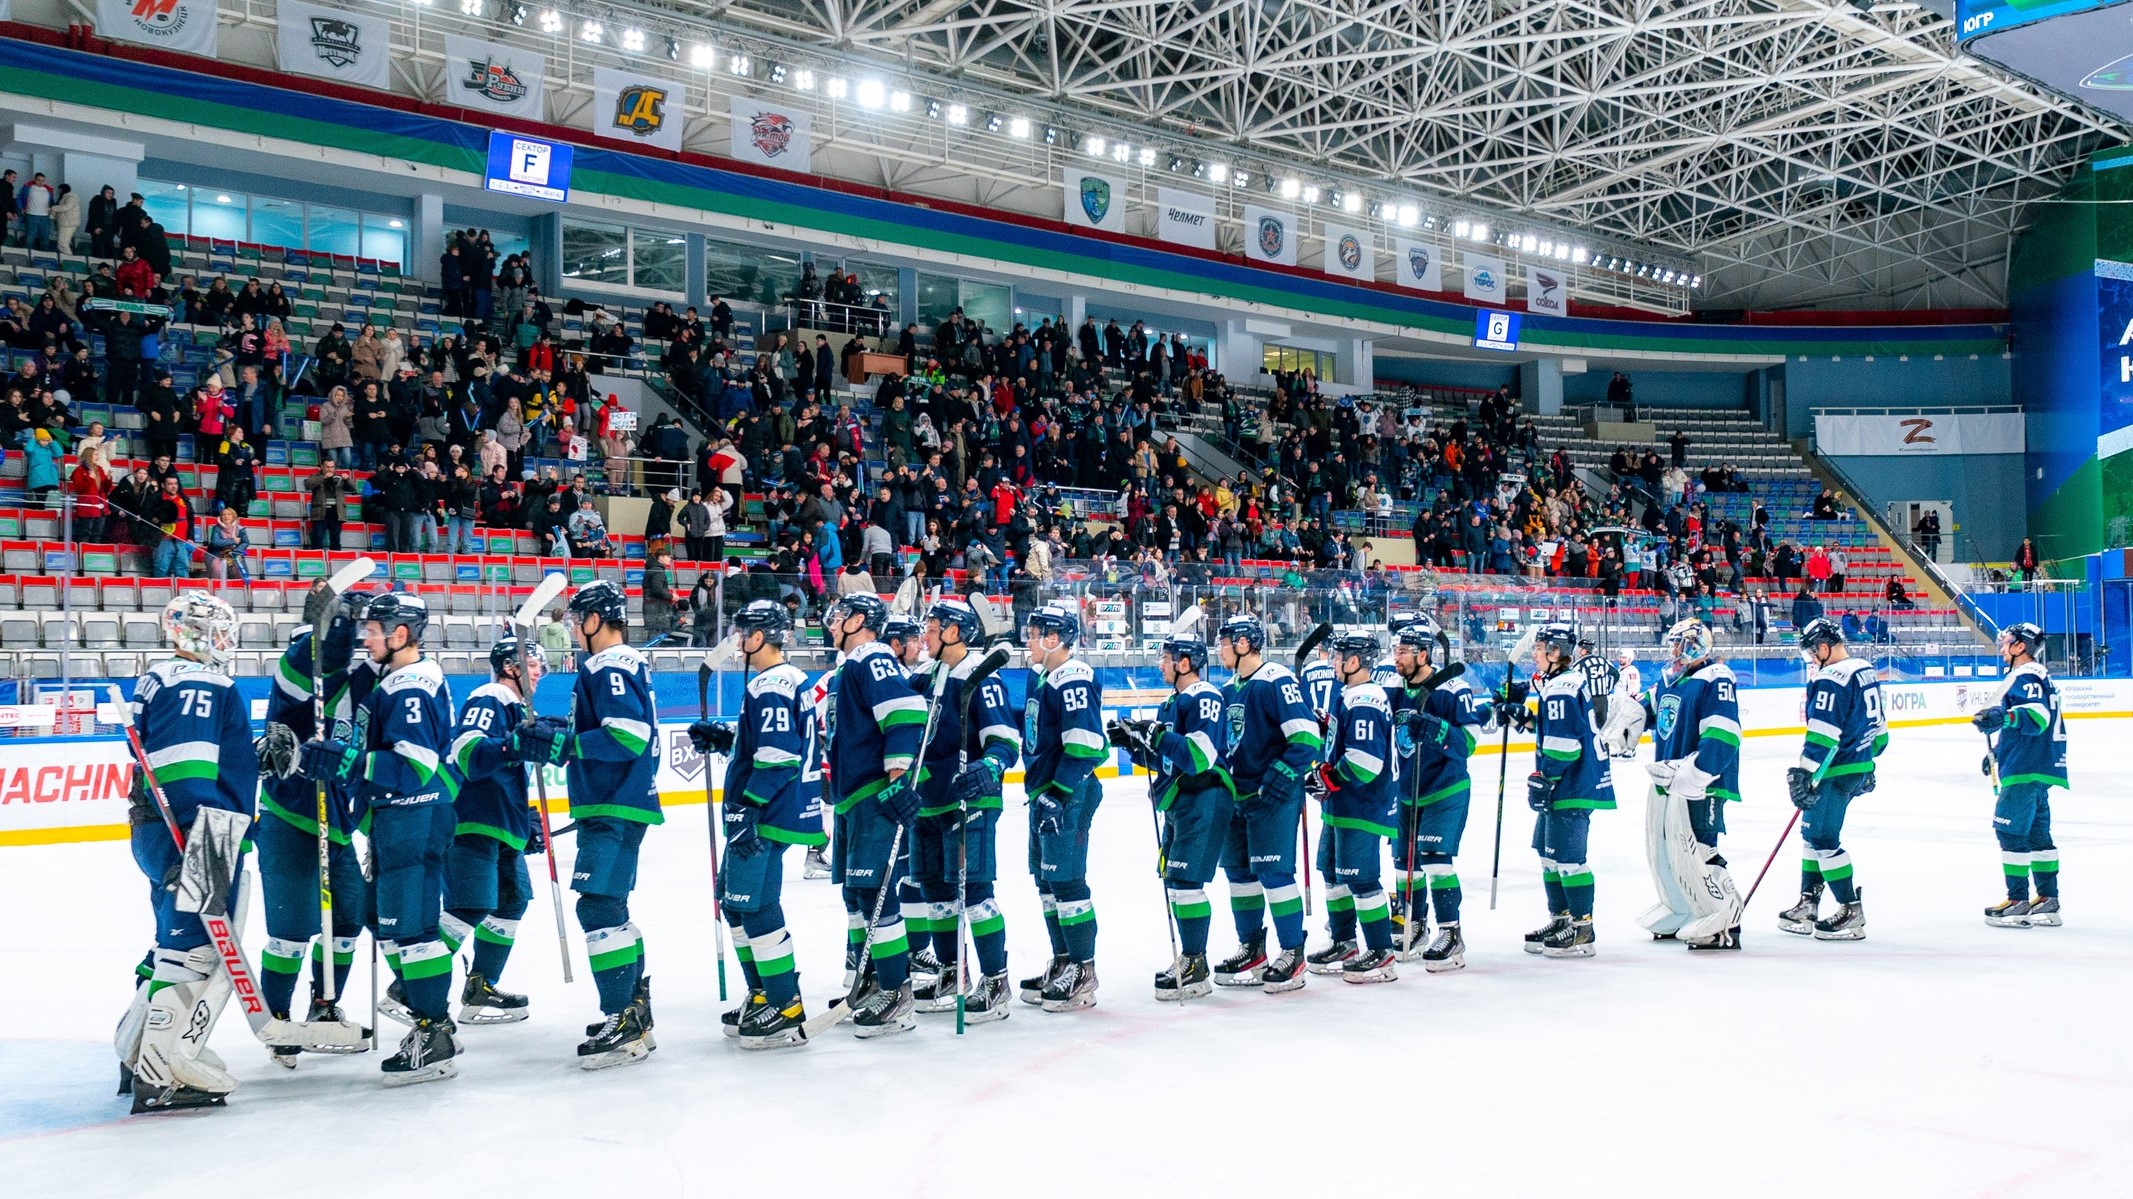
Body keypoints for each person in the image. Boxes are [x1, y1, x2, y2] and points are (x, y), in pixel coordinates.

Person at [295, 593, 461, 1085]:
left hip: (416, 814)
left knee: (410, 930)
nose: (366, 637)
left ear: (401, 635)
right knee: (385, 919)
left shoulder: (409, 687)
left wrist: (348, 764)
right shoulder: (395, 679)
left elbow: (413, 766)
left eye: (374, 629)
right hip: (402, 817)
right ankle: (433, 1021)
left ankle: (434, 1033)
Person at [115, 595, 256, 1112]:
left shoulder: (158, 677)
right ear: (191, 633)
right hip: (200, 829)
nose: (224, 640)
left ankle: (135, 1051)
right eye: (215, 630)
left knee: (170, 943)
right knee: (195, 951)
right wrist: (200, 831)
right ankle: (162, 1069)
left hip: (162, 825)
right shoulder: (201, 680)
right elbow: (185, 764)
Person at [686, 601, 825, 1048]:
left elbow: (779, 755)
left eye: (743, 630)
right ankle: (764, 992)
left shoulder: (771, 684)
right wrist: (731, 741)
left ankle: (785, 1006)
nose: (737, 638)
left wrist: (748, 808)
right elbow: (773, 741)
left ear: (761, 637)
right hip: (774, 809)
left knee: (755, 906)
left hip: (767, 814)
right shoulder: (789, 680)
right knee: (736, 902)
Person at [543, 580, 663, 1068]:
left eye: (578, 619)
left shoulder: (608, 662)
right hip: (618, 802)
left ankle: (623, 1019)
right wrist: (558, 736)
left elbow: (626, 735)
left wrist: (567, 744)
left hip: (615, 803)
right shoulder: (620, 663)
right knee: (609, 905)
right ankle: (634, 1011)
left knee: (597, 908)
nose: (573, 628)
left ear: (597, 620)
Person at [251, 588, 373, 1064]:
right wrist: (334, 630)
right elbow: (306, 662)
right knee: (292, 930)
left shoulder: (355, 684)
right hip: (290, 819)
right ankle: (276, 1021)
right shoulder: (294, 684)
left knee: (347, 921)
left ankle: (324, 1008)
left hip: (338, 823)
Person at [905, 598, 1021, 1020]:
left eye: (934, 628)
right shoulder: (927, 676)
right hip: (929, 800)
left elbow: (1005, 740)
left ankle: (995, 980)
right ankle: (953, 972)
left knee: (973, 892)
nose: (927, 636)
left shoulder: (980, 677)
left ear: (954, 632)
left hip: (970, 799)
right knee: (935, 890)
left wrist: (988, 766)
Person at [821, 592, 929, 1036]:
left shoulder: (871, 657)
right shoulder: (852, 665)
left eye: (841, 616)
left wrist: (899, 776)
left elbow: (905, 712)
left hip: (872, 793)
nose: (832, 624)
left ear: (861, 620)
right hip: (852, 796)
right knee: (858, 895)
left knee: (875, 895)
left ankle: (895, 991)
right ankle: (872, 980)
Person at [1208, 612, 1321, 992]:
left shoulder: (1277, 680)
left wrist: (1285, 774)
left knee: (1274, 875)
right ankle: (1253, 948)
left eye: (1224, 642)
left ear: (1243, 644)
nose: (1219, 649)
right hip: (1237, 797)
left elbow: (1306, 738)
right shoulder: (1228, 690)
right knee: (1239, 876)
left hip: (1272, 797)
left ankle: (1292, 952)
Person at [442, 634, 543, 1025]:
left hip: (502, 821)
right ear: (510, 667)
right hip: (475, 819)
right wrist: (515, 746)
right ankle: (407, 986)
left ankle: (479, 985)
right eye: (532, 666)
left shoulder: (515, 706)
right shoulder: (491, 696)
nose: (539, 674)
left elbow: (509, 761)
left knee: (512, 901)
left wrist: (524, 815)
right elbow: (467, 753)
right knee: (469, 905)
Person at [1016, 603, 1109, 1011]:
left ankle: (1083, 971)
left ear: (1054, 639)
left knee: (1067, 881)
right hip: (1046, 793)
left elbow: (1087, 745)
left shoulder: (1073, 676)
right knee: (1047, 884)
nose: (1028, 640)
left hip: (1067, 793)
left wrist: (1060, 790)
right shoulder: (1044, 677)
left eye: (1035, 633)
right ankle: (1064, 961)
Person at [1634, 620, 1744, 950]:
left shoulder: (1717, 677)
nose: (1672, 651)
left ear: (1695, 645)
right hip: (1669, 780)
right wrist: (1626, 716)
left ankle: (1725, 918)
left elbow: (1724, 734)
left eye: (1678, 644)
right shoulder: (1673, 680)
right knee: (1668, 849)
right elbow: (1649, 711)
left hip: (1705, 782)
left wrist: (1699, 772)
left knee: (1699, 849)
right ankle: (1683, 907)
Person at [1385, 614, 1488, 968]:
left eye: (1403, 651)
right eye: (1395, 650)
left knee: (1435, 861)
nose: (1396, 657)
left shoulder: (1451, 688)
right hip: (1406, 791)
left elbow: (1470, 742)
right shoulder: (1394, 689)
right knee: (1403, 864)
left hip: (1446, 788)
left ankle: (1451, 933)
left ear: (1423, 654)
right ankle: (1413, 926)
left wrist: (1435, 727)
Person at [1507, 622, 1615, 958]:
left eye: (1540, 649)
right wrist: (1521, 718)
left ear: (1556, 652)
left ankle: (1582, 929)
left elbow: (1565, 745)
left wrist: (1546, 777)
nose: (1535, 654)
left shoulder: (1562, 686)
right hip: (1570, 781)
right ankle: (1562, 919)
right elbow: (1556, 728)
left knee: (1568, 860)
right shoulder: (1560, 683)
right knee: (1548, 856)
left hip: (1573, 783)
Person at [1779, 617, 1887, 941]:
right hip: (1855, 767)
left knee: (1823, 838)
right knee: (1812, 833)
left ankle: (1850, 909)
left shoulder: (1831, 678)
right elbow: (1880, 737)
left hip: (1833, 770)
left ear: (1824, 647)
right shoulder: (1864, 670)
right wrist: (1865, 763)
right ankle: (1808, 903)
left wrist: (1805, 774)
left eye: (1813, 653)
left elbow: (1823, 735)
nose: (1812, 660)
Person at [1302, 633, 1401, 983]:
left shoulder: (1365, 699)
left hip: (1363, 806)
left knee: (1361, 879)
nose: (1333, 662)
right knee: (1333, 873)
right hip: (1343, 806)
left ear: (1355, 662)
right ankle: (1345, 942)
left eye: (1338, 657)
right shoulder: (1352, 696)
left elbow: (1364, 761)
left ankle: (1381, 952)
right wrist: (1330, 726)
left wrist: (1330, 775)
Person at [1973, 622, 2065, 928]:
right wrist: (1998, 752)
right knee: (2038, 834)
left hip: (2025, 768)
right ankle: (2047, 901)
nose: (2001, 648)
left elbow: (2037, 716)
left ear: (2020, 646)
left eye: (2007, 642)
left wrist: (2003, 716)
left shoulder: (2025, 675)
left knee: (2010, 831)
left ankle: (2017, 902)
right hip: (2037, 765)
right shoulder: (2036, 675)